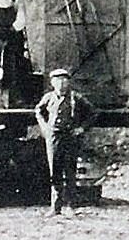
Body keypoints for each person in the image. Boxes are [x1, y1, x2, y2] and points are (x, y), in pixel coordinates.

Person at [34, 68, 96, 216]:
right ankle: (55, 206)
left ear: (68, 82)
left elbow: (93, 112)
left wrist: (82, 128)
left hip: (70, 137)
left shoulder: (76, 98)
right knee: (54, 171)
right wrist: (44, 126)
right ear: (52, 82)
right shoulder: (48, 97)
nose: (61, 84)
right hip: (54, 137)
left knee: (70, 171)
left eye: (64, 80)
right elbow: (38, 110)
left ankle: (71, 206)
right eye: (57, 80)